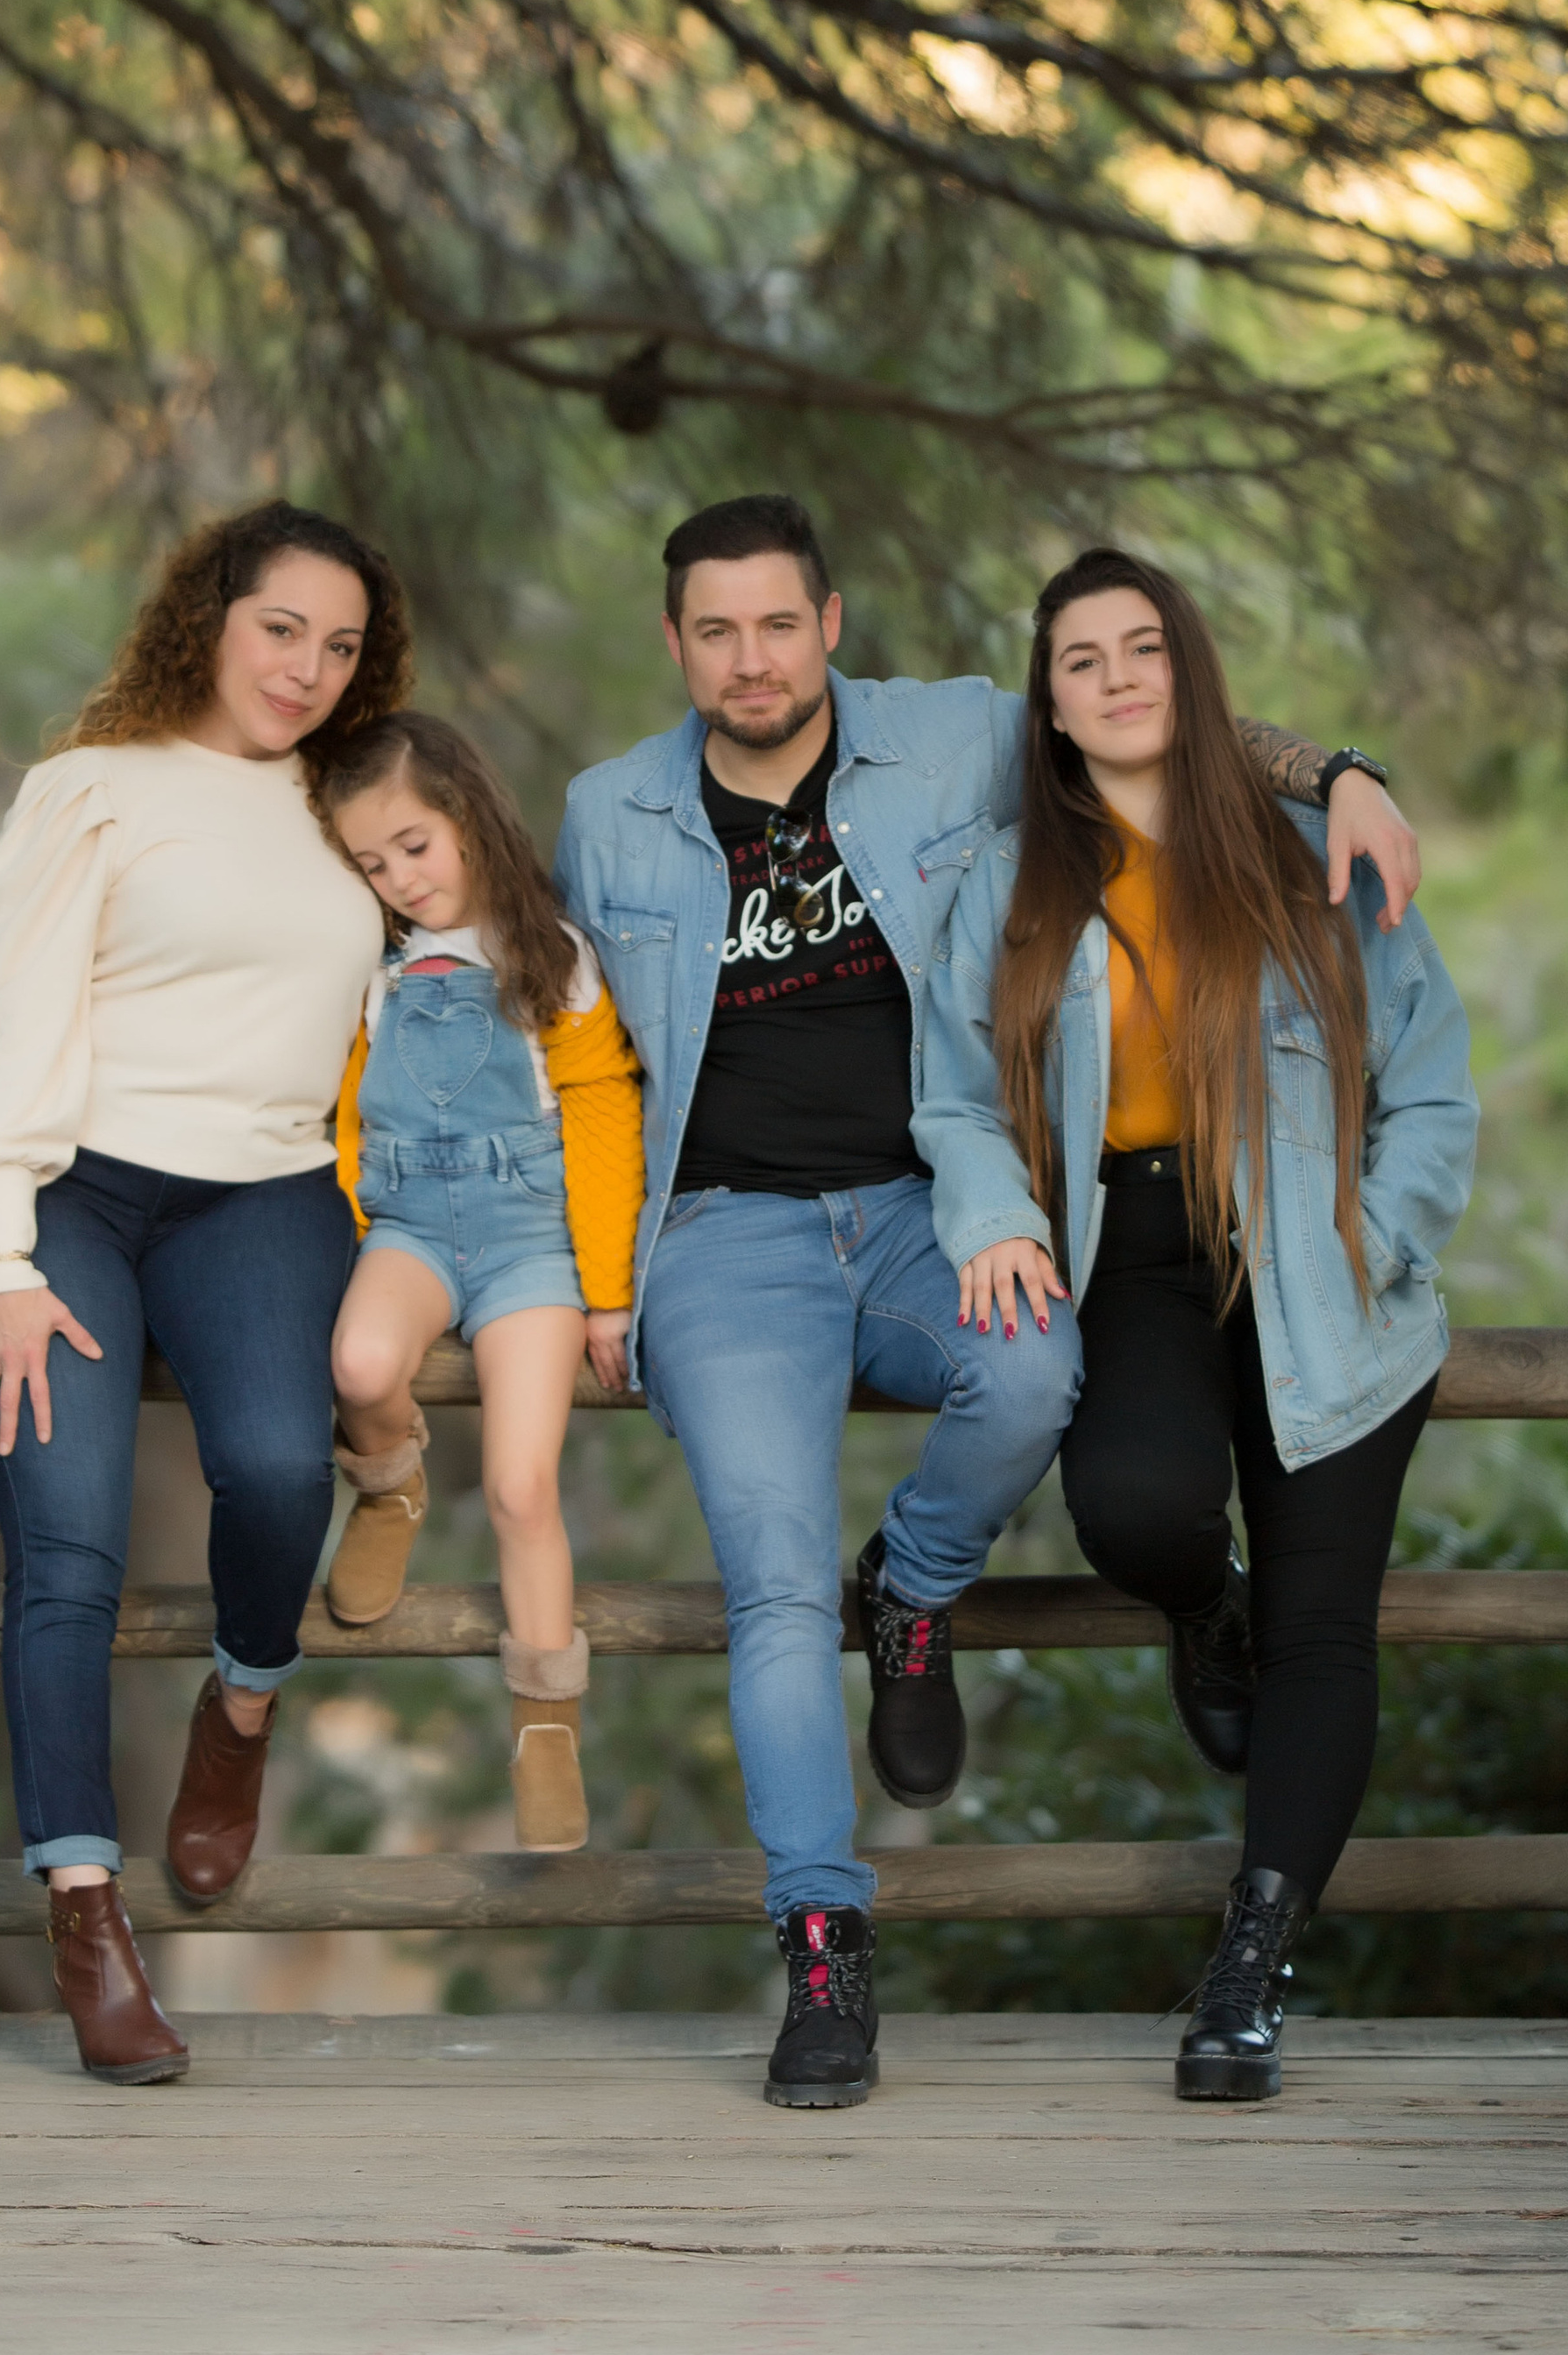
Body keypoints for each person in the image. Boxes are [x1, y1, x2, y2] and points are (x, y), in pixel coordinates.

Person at [553, 493, 1423, 2113]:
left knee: (1034, 1381)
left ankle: (919, 1586)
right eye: (716, 631)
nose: (753, 659)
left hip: (923, 1215)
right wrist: (582, 1277)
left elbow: (1152, 713)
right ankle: (824, 1949)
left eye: (780, 623)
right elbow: (571, 1064)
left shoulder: (951, 739)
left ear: (833, 624)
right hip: (720, 1240)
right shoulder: (607, 818)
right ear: (674, 645)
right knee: (765, 1585)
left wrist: (1346, 771)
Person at [913, 546, 1476, 2105]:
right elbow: (953, 1097)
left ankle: (1252, 1959)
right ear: (1052, 702)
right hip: (1132, 1254)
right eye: (1080, 660)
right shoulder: (1013, 882)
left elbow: (1431, 1078)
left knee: (1325, 1633)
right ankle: (1199, 1605)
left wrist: (1386, 1226)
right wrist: (997, 1215)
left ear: (1189, 667)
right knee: (1136, 1509)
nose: (1115, 678)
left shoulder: (1314, 855)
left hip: (1322, 1262)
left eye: (1141, 647)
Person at [0, 501, 409, 2084]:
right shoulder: (95, 790)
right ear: (211, 616)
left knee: (280, 1469)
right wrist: (3, 1261)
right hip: (62, 1184)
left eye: (341, 646)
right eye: (283, 628)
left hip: (264, 1190)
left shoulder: (350, 806)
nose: (309, 669)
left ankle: (245, 1706)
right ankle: (86, 1907)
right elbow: (12, 1023)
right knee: (66, 1549)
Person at [312, 712, 646, 1851]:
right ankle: (392, 1482)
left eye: (414, 844)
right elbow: (350, 1113)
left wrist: (606, 1289)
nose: (400, 879)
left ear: (466, 812)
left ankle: (545, 1719)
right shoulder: (375, 969)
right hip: (410, 1227)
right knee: (357, 1363)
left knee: (518, 1486)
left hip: (530, 1249)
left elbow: (603, 1122)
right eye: (373, 864)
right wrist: (357, 1216)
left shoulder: (551, 956)